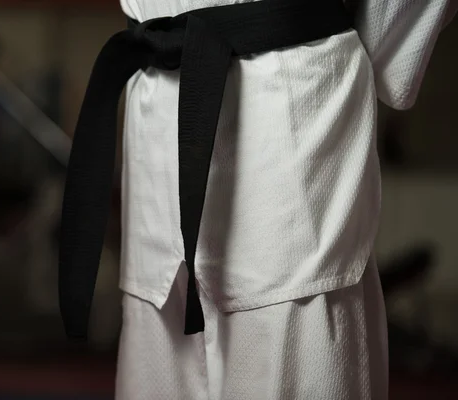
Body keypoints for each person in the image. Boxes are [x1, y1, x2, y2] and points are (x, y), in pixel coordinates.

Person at [59, 0, 457, 399]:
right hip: (164, 100)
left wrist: (312, 25)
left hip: (284, 109)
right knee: (161, 334)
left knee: (297, 337)